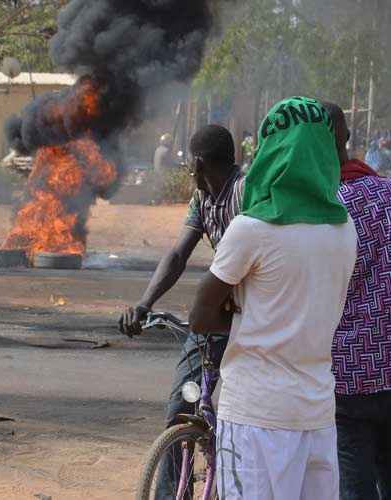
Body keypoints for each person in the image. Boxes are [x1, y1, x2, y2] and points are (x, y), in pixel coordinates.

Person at [189, 97, 357, 499]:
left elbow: (199, 315)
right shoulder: (343, 227)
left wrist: (246, 320)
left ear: (270, 151)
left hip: (255, 414)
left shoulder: (252, 229)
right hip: (316, 413)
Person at [120, 124, 243, 499]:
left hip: (246, 320)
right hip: (211, 319)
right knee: (181, 405)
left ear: (199, 161)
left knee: (246, 414)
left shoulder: (246, 191)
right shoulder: (201, 198)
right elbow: (177, 255)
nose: (190, 170)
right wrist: (145, 304)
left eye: (191, 163)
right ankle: (170, 493)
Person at [325, 102, 391, 500]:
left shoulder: (325, 209)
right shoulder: (388, 191)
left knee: (355, 485)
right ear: (347, 139)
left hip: (349, 377)